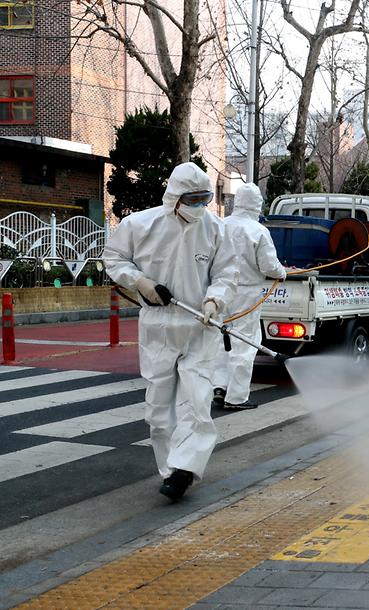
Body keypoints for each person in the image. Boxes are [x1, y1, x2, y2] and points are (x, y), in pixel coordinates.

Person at [103, 162, 238, 502]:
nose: (199, 206)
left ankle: (184, 471)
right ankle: (170, 469)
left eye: (205, 199)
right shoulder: (140, 224)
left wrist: (214, 302)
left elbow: (226, 273)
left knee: (196, 403)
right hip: (159, 327)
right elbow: (114, 259)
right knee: (159, 410)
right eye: (193, 199)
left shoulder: (215, 229)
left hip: (200, 327)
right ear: (174, 197)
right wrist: (141, 283)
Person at [212, 184, 286, 410]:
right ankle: (236, 397)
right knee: (244, 344)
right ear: (257, 204)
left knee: (222, 342)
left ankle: (219, 386)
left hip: (220, 290)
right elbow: (268, 265)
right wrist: (281, 272)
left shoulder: (221, 225)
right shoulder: (257, 231)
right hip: (247, 293)